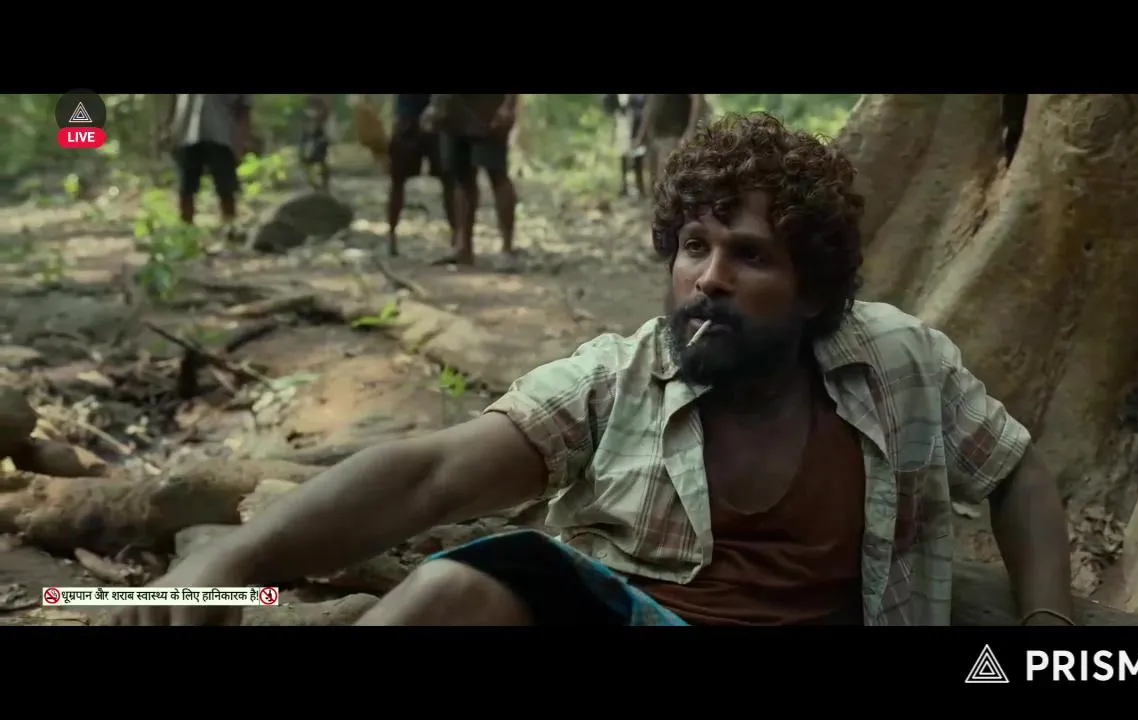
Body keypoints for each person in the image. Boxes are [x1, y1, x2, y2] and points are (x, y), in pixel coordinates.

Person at [109, 113, 1074, 627]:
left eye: (749, 256)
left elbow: (1015, 471)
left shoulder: (898, 364)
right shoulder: (618, 380)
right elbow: (431, 474)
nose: (709, 278)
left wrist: (1046, 627)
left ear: (814, 291)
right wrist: (233, 561)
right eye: (692, 247)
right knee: (462, 587)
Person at [423, 94, 519, 270]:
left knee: (496, 174)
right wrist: (434, 104)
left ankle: (507, 249)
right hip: (452, 110)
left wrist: (508, 105)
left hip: (487, 109)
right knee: (461, 177)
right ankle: (463, 247)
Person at [163, 94, 253, 229]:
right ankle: (186, 229)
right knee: (186, 188)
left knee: (225, 188)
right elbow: (174, 100)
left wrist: (242, 139)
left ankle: (230, 227)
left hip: (221, 134)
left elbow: (244, 107)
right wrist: (168, 127)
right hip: (186, 133)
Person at [387, 94, 454, 257]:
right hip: (411, 119)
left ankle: (458, 237)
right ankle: (391, 236)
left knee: (449, 181)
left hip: (434, 119)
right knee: (398, 181)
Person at [633, 93, 705, 189]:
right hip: (655, 135)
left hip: (675, 134)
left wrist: (691, 130)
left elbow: (697, 100)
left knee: (667, 175)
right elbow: (650, 105)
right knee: (654, 178)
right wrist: (642, 133)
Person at [604, 94, 647, 198]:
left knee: (637, 156)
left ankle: (640, 187)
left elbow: (642, 104)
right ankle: (624, 186)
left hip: (635, 123)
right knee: (623, 155)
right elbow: (609, 104)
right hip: (622, 123)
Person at [299, 94, 335, 192]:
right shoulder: (312, 99)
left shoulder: (323, 100)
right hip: (311, 132)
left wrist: (318, 117)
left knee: (321, 159)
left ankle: (324, 184)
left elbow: (326, 113)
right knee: (306, 159)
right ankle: (315, 183)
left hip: (320, 132)